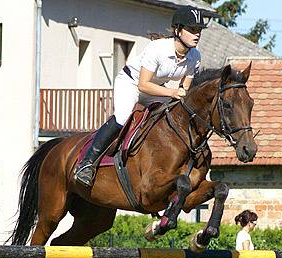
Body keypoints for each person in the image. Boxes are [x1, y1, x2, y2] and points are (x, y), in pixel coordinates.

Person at [74, 5, 205, 187]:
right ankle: (87, 163)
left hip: (157, 89)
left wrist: (179, 95)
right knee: (121, 118)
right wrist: (172, 92)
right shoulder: (157, 48)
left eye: (199, 30)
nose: (197, 34)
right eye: (192, 30)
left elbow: (184, 88)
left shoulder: (195, 56)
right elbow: (143, 84)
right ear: (178, 30)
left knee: (172, 116)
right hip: (131, 83)